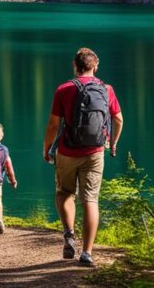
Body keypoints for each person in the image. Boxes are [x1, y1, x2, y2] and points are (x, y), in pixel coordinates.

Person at [43, 47, 123, 266]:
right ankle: (87, 253)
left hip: (68, 151)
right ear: (95, 66)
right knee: (91, 199)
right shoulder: (106, 89)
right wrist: (112, 143)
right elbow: (118, 120)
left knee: (64, 192)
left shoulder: (64, 89)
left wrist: (47, 147)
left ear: (74, 65)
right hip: (96, 151)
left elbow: (53, 125)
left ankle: (69, 233)